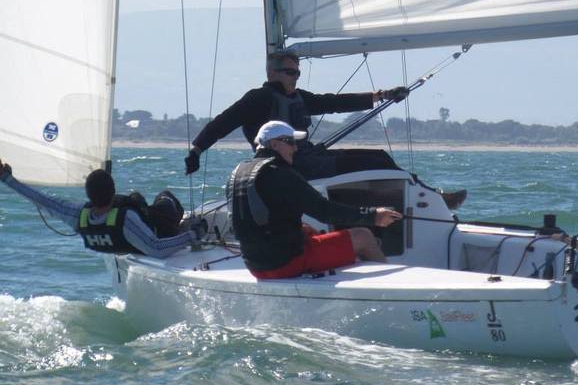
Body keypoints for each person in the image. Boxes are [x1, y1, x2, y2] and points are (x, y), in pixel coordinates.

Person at [184, 50, 466, 209]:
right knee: (373, 162)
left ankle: (429, 196)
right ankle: (432, 200)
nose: (295, 77)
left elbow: (334, 102)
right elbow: (221, 123)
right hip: (290, 167)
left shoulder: (300, 97)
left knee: (379, 156)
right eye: (290, 72)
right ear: (272, 72)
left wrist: (382, 95)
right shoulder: (257, 99)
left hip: (312, 157)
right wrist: (196, 151)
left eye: (297, 72)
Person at [227, 120, 404, 279]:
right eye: (290, 142)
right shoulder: (281, 173)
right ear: (274, 144)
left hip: (255, 266)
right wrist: (373, 216)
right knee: (364, 236)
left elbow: (260, 220)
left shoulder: (238, 173)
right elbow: (324, 211)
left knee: (308, 230)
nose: (295, 149)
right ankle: (388, 293)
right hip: (286, 264)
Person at [0, 158, 207, 259]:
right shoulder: (125, 220)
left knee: (136, 199)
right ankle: (182, 224)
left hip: (128, 240)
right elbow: (157, 249)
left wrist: (7, 179)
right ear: (113, 191)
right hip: (161, 229)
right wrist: (193, 235)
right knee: (165, 197)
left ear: (88, 194)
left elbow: (42, 200)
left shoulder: (78, 216)